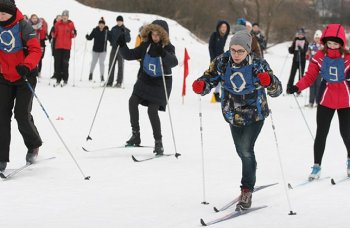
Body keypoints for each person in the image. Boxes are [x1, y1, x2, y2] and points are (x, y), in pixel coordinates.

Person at [192, 30, 282, 210]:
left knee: (246, 150)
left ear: (248, 50)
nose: (236, 54)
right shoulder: (222, 62)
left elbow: (277, 90)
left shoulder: (258, 64)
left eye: (240, 51)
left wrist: (268, 81)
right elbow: (209, 77)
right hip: (233, 114)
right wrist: (202, 85)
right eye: (233, 50)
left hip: (255, 114)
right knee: (242, 151)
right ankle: (251, 170)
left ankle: (246, 189)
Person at [287, 24, 350, 180]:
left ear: (342, 42)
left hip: (346, 100)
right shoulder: (319, 56)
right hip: (325, 99)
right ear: (325, 42)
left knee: (347, 134)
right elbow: (309, 77)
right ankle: (316, 166)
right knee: (321, 133)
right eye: (329, 43)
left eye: (336, 43)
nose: (332, 46)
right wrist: (296, 86)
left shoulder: (348, 57)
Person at [117, 20, 178, 155]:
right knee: (132, 101)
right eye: (153, 34)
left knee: (152, 110)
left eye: (158, 34)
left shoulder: (168, 47)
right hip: (145, 79)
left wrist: (162, 52)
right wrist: (122, 45)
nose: (155, 37)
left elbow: (174, 62)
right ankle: (136, 135)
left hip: (160, 83)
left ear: (163, 35)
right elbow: (130, 55)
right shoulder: (146, 45)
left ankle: (158, 142)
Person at [0, 0, 43, 172]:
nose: (1, 15)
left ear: (11, 12)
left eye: (4, 12)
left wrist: (27, 65)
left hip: (24, 76)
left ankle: (33, 145)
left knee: (21, 114)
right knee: (2, 116)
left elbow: (35, 50)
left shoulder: (23, 26)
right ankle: (1, 157)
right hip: (4, 77)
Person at [51, 10, 76, 86]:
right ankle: (58, 79)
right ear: (62, 17)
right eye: (63, 16)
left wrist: (74, 33)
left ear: (68, 17)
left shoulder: (71, 24)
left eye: (66, 16)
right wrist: (53, 32)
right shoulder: (57, 24)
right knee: (58, 63)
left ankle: (65, 79)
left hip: (67, 47)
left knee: (65, 63)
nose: (65, 17)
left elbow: (73, 35)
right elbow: (54, 35)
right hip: (58, 47)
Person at [208, 20, 230, 102]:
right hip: (214, 60)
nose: (224, 28)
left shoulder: (226, 37)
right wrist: (213, 59)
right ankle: (210, 91)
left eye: (225, 27)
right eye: (222, 27)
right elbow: (210, 47)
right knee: (215, 77)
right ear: (219, 27)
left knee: (223, 77)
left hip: (223, 60)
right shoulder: (214, 35)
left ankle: (217, 94)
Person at [107, 15, 130, 87]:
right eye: (118, 21)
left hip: (121, 49)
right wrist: (107, 32)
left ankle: (119, 82)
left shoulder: (126, 29)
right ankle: (110, 82)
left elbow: (128, 40)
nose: (119, 22)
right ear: (116, 21)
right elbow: (110, 38)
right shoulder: (113, 29)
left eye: (120, 21)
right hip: (114, 48)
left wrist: (125, 34)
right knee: (111, 65)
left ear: (122, 21)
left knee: (120, 66)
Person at [86, 17, 109, 82]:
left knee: (101, 63)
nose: (101, 25)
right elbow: (90, 37)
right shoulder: (95, 30)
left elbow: (110, 37)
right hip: (95, 50)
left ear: (104, 25)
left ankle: (102, 76)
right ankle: (91, 73)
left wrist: (108, 31)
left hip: (103, 51)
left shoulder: (106, 31)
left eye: (102, 24)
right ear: (98, 24)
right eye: (100, 24)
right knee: (93, 62)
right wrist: (87, 37)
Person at [286, 28, 309, 92]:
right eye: (299, 34)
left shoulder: (305, 41)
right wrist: (290, 49)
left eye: (301, 34)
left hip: (302, 61)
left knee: (300, 75)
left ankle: (299, 89)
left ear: (304, 35)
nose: (300, 35)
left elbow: (305, 50)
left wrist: (301, 49)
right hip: (295, 60)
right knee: (292, 74)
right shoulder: (295, 40)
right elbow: (292, 50)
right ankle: (289, 88)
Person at [305, 30, 323, 108]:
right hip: (312, 68)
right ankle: (311, 102)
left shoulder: (323, 47)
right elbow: (308, 53)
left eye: (319, 38)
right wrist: (307, 55)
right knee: (312, 85)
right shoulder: (311, 45)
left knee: (318, 85)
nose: (317, 39)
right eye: (316, 38)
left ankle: (317, 101)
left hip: (320, 69)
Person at [48, 14, 61, 79]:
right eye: (57, 18)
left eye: (60, 18)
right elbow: (50, 35)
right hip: (54, 45)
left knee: (61, 60)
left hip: (61, 45)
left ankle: (60, 73)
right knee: (56, 60)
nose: (59, 19)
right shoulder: (53, 27)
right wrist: (50, 38)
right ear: (56, 19)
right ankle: (55, 73)